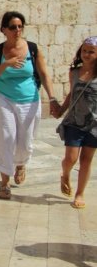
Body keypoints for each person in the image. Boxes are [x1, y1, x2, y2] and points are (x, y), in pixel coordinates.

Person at [0, 11, 57, 200]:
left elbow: (44, 74)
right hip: (2, 98)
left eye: (20, 26)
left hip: (29, 100)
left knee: (25, 142)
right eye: (12, 27)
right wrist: (6, 64)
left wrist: (52, 98)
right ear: (4, 30)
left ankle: (20, 164)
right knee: (5, 139)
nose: (17, 30)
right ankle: (5, 182)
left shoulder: (32, 49)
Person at [52, 36, 97, 209]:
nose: (86, 54)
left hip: (94, 124)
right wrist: (61, 110)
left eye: (91, 52)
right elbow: (72, 94)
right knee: (71, 158)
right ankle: (65, 173)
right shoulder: (74, 72)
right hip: (74, 121)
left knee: (86, 160)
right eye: (84, 51)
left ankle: (80, 193)